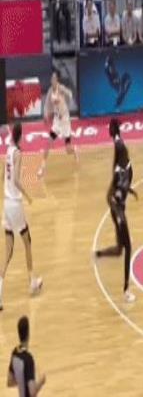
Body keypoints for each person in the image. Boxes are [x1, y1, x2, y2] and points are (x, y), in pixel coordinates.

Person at [0, 122, 43, 311]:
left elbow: (3, 175)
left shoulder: (8, 151)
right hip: (15, 204)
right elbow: (16, 180)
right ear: (19, 136)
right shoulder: (18, 153)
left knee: (8, 253)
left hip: (5, 204)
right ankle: (32, 281)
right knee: (27, 241)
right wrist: (27, 196)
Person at [95, 119, 138, 303]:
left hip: (116, 207)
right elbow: (114, 196)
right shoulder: (120, 170)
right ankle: (126, 290)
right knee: (128, 248)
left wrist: (130, 190)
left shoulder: (122, 166)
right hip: (117, 210)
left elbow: (119, 187)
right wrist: (120, 217)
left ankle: (98, 255)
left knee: (120, 249)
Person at [37, 71, 78, 177]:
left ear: (57, 80)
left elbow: (70, 94)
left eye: (54, 78)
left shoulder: (61, 88)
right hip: (56, 121)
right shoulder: (50, 91)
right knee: (48, 143)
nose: (52, 80)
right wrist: (46, 115)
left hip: (65, 120)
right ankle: (42, 168)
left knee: (68, 149)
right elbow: (47, 105)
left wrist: (66, 100)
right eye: (51, 78)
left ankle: (74, 150)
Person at [7, 316, 46, 395]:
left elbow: (10, 382)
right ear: (28, 334)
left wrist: (22, 380)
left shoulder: (15, 353)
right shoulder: (28, 359)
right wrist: (41, 381)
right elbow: (32, 392)